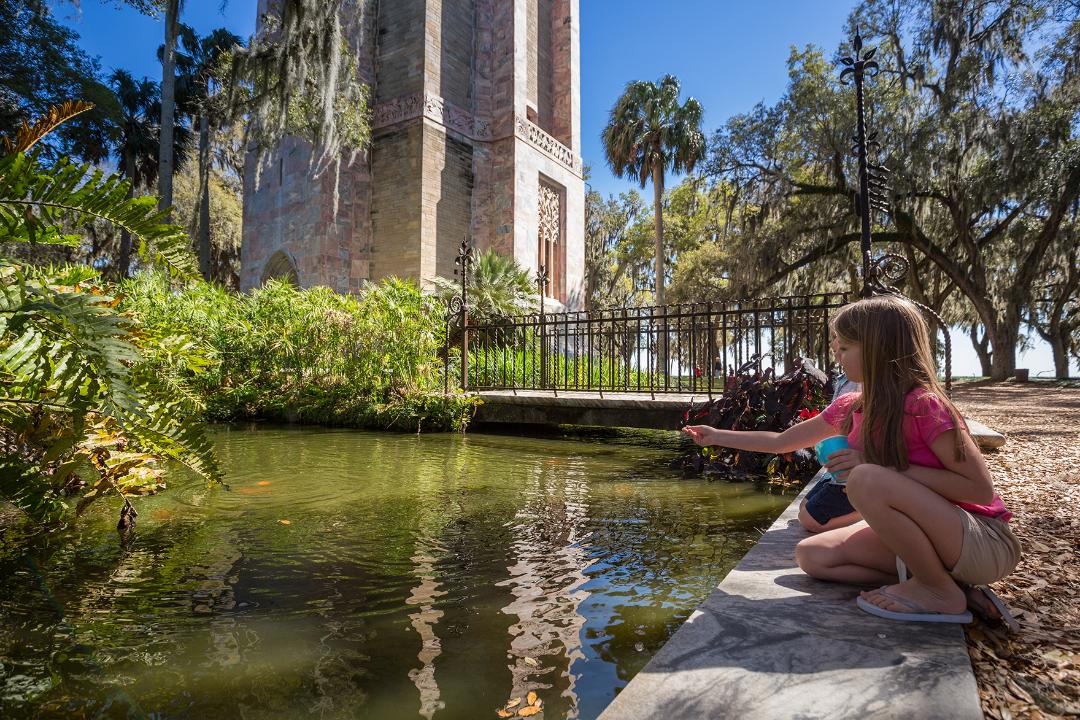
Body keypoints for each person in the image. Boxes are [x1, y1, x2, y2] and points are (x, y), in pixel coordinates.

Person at [683, 295, 1020, 624]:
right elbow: (782, 441)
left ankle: (937, 591)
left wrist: (877, 467)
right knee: (812, 557)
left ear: (878, 350)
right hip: (935, 540)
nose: (836, 354)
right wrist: (716, 436)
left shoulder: (925, 406)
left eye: (844, 348)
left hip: (981, 542)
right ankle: (947, 585)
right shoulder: (853, 405)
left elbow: (978, 489)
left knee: (865, 478)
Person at [797, 368, 861, 533]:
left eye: (844, 347)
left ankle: (866, 513)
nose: (835, 348)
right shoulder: (844, 385)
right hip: (842, 470)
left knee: (808, 519)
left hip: (862, 478)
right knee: (804, 506)